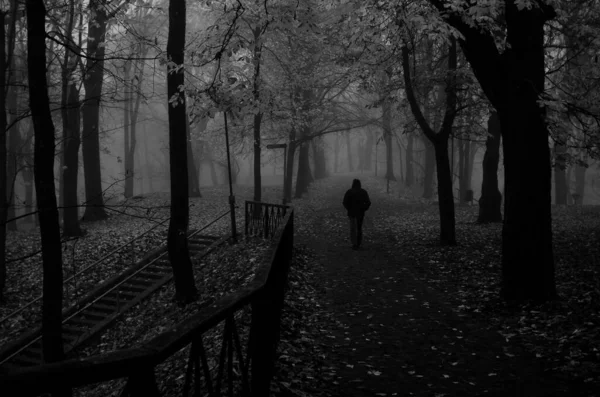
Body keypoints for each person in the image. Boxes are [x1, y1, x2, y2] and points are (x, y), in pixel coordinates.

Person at [343, 179, 371, 250]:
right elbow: (368, 202)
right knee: (359, 228)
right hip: (360, 213)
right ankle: (358, 243)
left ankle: (354, 243)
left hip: (352, 213)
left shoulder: (349, 192)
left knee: (352, 228)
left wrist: (348, 208)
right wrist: (364, 208)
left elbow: (344, 202)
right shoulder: (363, 192)